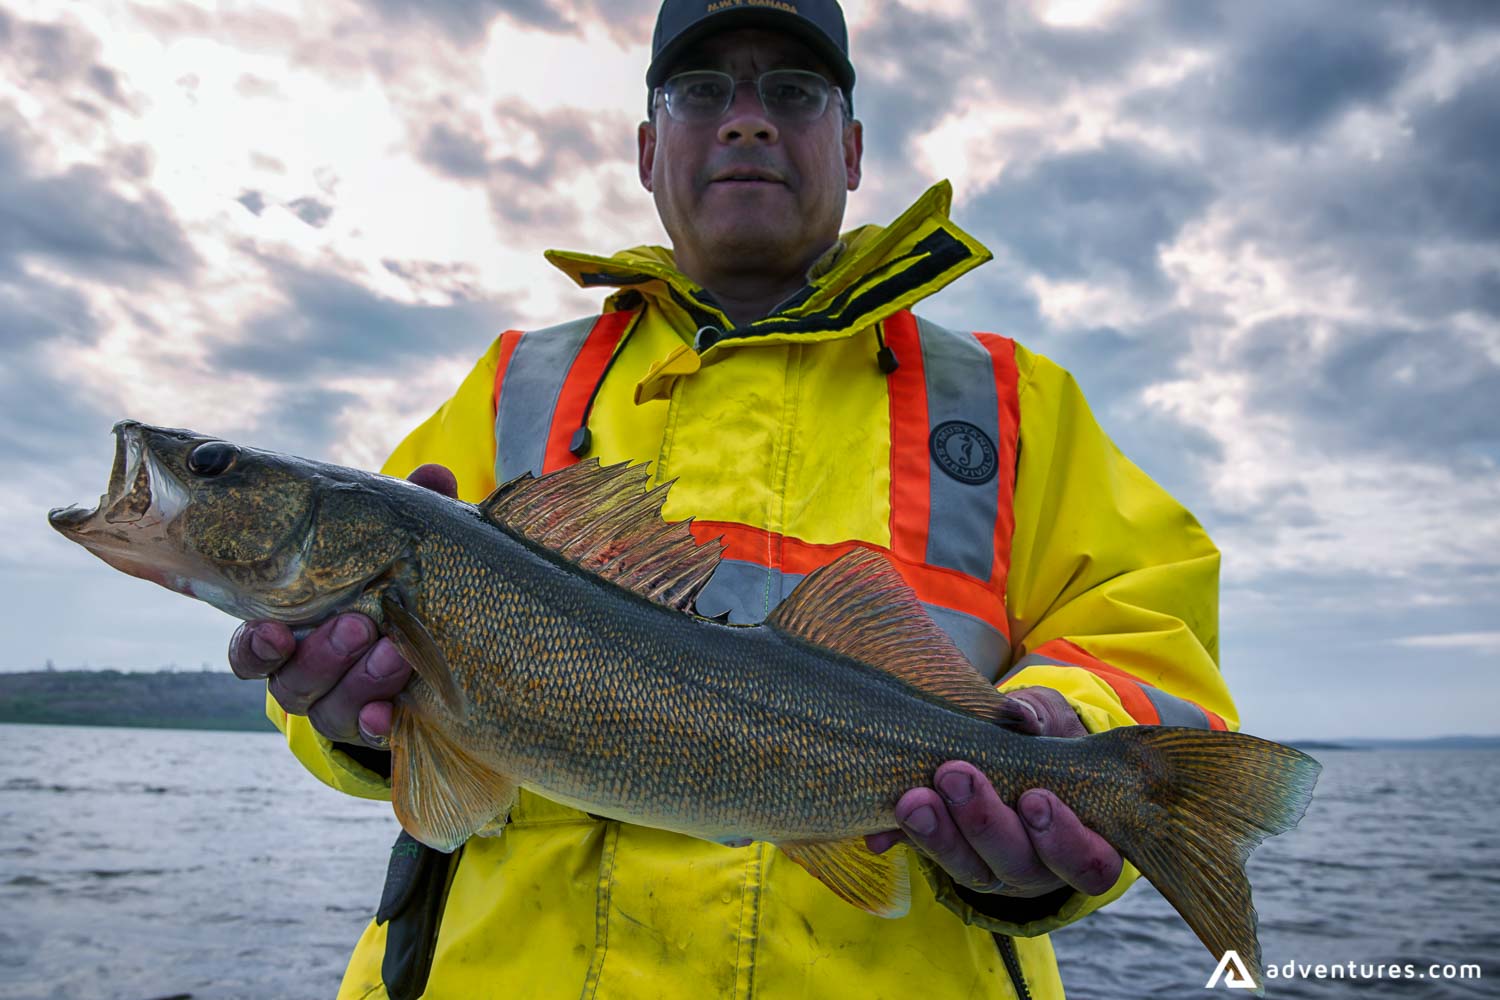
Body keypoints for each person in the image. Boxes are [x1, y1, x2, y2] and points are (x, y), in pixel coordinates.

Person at [230, 2, 1237, 997]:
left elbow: (1150, 640)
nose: (746, 119)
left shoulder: (1013, 402)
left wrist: (1060, 729)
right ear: (646, 146)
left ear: (848, 148)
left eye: (792, 91)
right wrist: (357, 722)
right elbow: (360, 716)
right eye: (701, 88)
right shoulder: (508, 385)